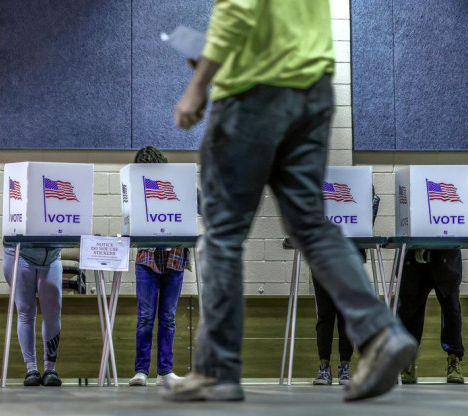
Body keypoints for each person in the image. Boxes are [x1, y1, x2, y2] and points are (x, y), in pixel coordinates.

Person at [164, 0, 417, 402]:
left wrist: (197, 86)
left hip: (253, 94)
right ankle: (381, 333)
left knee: (222, 234)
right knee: (311, 226)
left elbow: (238, 10)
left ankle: (216, 370)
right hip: (312, 90)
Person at [128, 146, 187, 387]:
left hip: (174, 255)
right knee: (145, 317)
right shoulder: (134, 188)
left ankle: (165, 371)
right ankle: (141, 370)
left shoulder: (178, 184)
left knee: (168, 317)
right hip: (148, 258)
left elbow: (201, 206)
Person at [312, 189, 380, 386]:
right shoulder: (316, 194)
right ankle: (324, 367)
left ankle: (345, 366)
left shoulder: (363, 193)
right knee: (325, 315)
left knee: (346, 316)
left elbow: (368, 219)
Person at [397, 249, 464, 384]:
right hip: (413, 251)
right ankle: (407, 363)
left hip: (445, 252)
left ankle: (454, 360)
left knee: (451, 310)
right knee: (408, 310)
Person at [2, 246, 63, 386]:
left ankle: (50, 370)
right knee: (25, 310)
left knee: (52, 312)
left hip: (51, 254)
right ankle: (31, 370)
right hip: (19, 252)